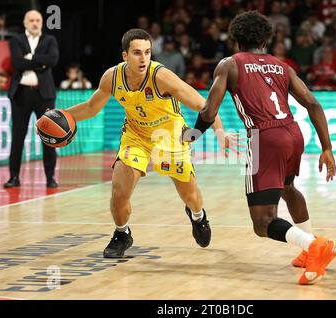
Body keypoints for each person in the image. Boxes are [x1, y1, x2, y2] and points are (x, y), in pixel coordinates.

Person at [37, 29, 240, 258]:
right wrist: (62, 113)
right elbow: (91, 107)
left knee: (190, 195)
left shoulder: (161, 76)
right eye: (137, 53)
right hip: (136, 134)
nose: (144, 58)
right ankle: (122, 234)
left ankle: (198, 216)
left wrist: (220, 132)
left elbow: (204, 104)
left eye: (147, 52)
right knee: (119, 191)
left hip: (169, 134)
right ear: (125, 56)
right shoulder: (112, 77)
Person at [183, 11, 336, 285]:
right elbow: (313, 103)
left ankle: (314, 245)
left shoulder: (230, 65)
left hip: (265, 137)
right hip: (293, 132)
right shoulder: (282, 66)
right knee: (288, 188)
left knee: (263, 223)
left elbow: (209, 111)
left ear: (235, 39)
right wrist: (327, 147)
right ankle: (307, 250)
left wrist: (193, 134)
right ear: (267, 39)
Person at [4, 10, 59, 188]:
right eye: (31, 20)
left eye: (38, 20)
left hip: (44, 95)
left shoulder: (50, 40)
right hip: (21, 94)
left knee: (49, 137)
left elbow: (53, 60)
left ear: (41, 22)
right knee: (18, 136)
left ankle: (50, 177)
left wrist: (31, 58)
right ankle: (14, 176)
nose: (35, 23)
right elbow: (17, 63)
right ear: (25, 22)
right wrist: (40, 62)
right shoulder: (16, 40)